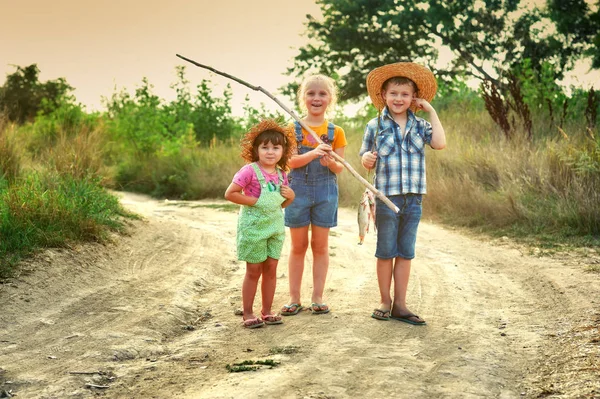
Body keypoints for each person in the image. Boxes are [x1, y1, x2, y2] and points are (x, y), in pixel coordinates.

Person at [359, 62, 446, 325]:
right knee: (386, 250)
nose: (399, 99)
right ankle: (385, 301)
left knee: (406, 251)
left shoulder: (420, 125)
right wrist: (366, 159)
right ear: (383, 95)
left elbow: (440, 143)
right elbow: (363, 155)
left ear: (414, 98)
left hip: (413, 197)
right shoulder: (375, 125)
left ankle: (401, 304)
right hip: (386, 197)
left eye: (405, 94)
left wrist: (430, 110)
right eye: (394, 93)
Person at [281, 74, 348, 316]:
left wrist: (330, 161)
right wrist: (312, 154)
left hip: (325, 192)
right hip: (296, 191)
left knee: (320, 246)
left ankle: (318, 297)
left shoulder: (336, 131)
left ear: (330, 99)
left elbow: (340, 168)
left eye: (322, 94)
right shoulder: (292, 130)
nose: (316, 98)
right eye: (311, 93)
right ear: (303, 98)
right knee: (298, 246)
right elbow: (287, 162)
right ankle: (294, 298)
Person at [224, 119, 296, 329]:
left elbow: (281, 204)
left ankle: (267, 311)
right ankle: (248, 313)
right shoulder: (249, 171)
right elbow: (230, 194)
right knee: (254, 270)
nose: (270, 152)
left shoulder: (282, 175)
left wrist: (291, 196)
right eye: (265, 147)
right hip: (254, 228)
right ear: (256, 150)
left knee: (271, 269)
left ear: (283, 151)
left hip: (275, 228)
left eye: (276, 147)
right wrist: (254, 201)